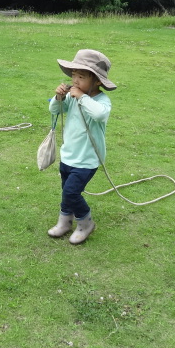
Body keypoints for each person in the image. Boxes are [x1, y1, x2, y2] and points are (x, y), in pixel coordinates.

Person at [48, 49, 116, 244]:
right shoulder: (72, 96)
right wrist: (59, 97)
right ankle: (65, 221)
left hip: (87, 159)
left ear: (97, 81)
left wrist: (82, 97)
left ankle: (86, 223)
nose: (75, 81)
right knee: (66, 190)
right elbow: (54, 110)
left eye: (81, 77)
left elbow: (99, 115)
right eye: (74, 76)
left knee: (71, 192)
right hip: (68, 154)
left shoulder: (102, 101)